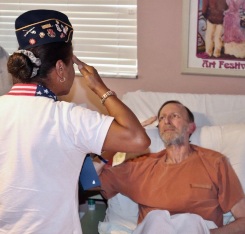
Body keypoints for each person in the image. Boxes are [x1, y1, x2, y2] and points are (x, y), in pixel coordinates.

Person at [0, 9, 150, 234]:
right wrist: (100, 88)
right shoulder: (68, 118)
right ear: (60, 68)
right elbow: (138, 139)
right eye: (71, 64)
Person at [98, 100, 245, 233]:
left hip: (198, 229)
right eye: (162, 118)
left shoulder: (215, 163)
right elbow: (88, 181)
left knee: (190, 221)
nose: (167, 121)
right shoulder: (140, 166)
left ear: (191, 127)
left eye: (174, 116)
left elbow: (243, 220)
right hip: (154, 229)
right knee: (157, 218)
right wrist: (120, 142)